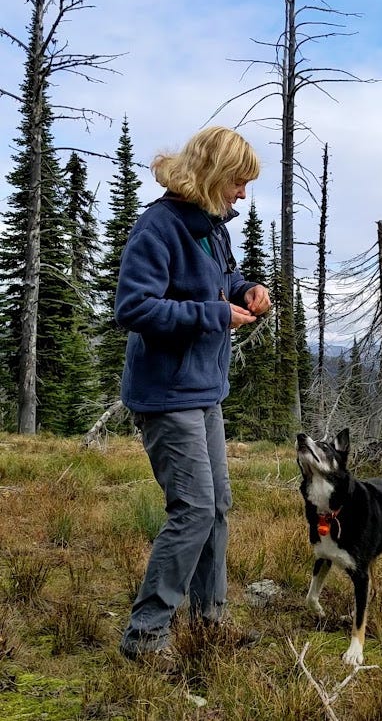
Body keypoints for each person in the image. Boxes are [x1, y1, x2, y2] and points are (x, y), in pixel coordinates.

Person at [115, 126, 271, 660]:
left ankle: (209, 621)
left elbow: (222, 280)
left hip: (205, 390)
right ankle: (145, 637)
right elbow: (133, 308)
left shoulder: (211, 227)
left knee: (217, 505)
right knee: (194, 509)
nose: (242, 194)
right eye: (237, 181)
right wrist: (213, 314)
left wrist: (246, 289)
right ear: (210, 174)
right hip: (166, 393)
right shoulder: (158, 227)